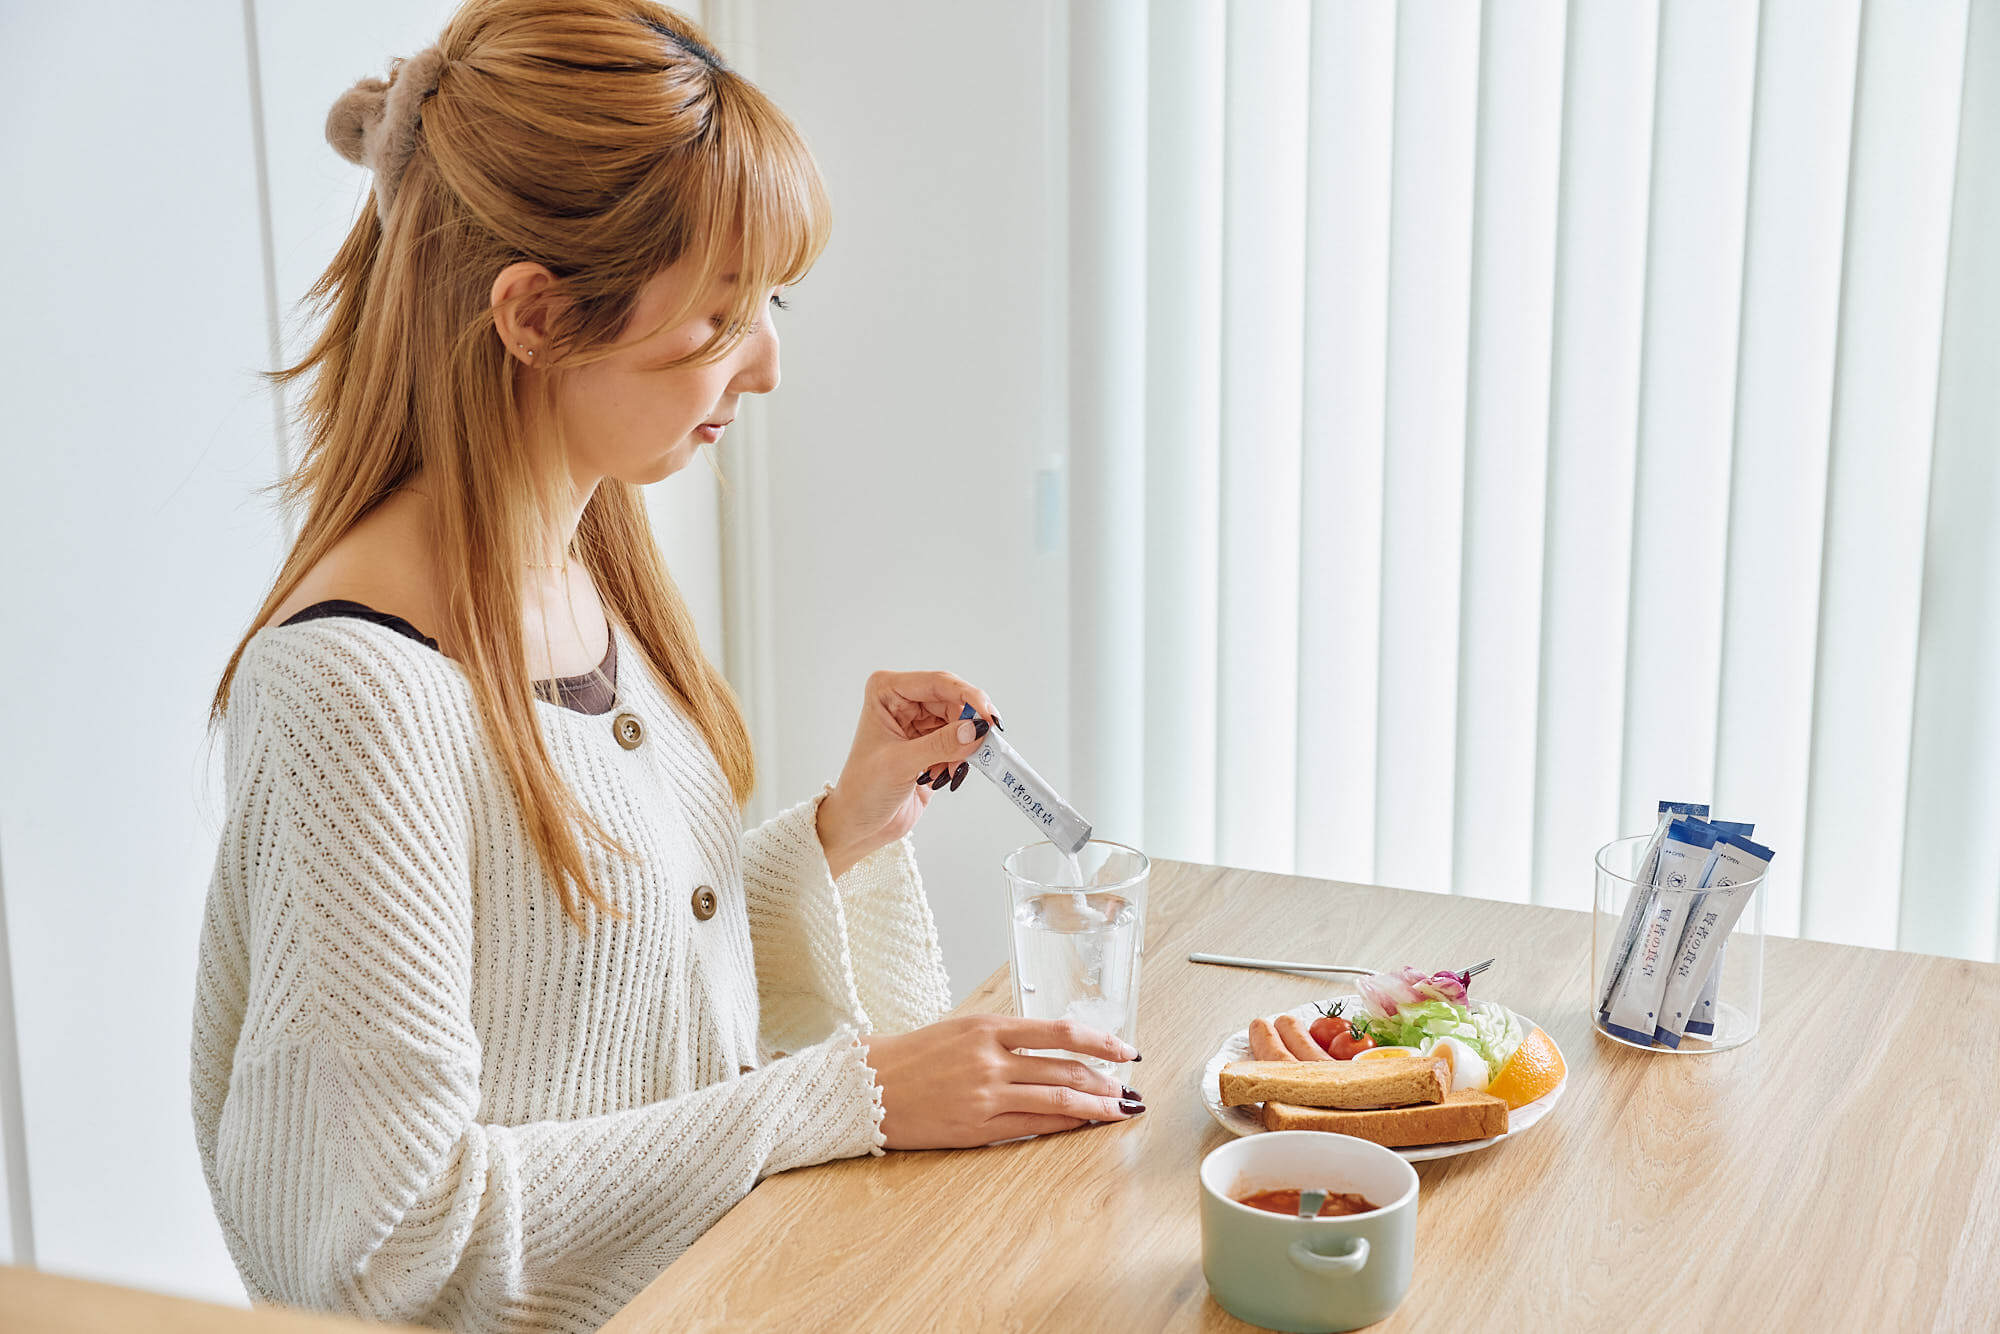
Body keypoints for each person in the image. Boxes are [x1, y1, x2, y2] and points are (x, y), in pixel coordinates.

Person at [188, 3, 1143, 1328]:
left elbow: (577, 996)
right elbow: (381, 1240)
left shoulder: (585, 559)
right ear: (535, 314)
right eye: (721, 316)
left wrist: (838, 832)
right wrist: (851, 1094)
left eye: (769, 304)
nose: (766, 365)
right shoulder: (354, 693)